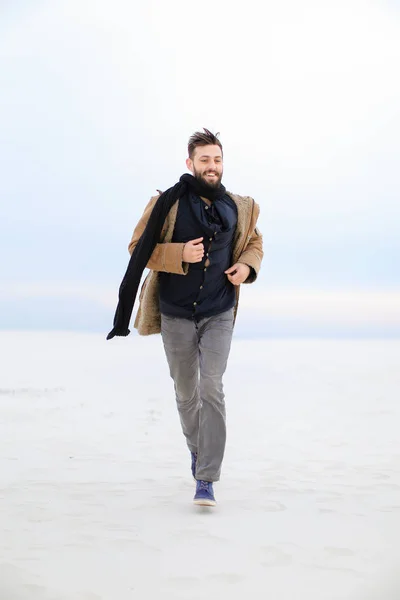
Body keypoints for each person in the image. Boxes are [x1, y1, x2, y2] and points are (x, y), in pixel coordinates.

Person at [107, 129, 263, 506]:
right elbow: (136, 248)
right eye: (205, 160)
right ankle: (197, 451)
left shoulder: (239, 206)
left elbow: (255, 242)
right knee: (185, 391)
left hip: (219, 311)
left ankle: (206, 478)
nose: (212, 166)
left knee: (212, 386)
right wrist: (178, 254)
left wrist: (245, 266)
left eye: (218, 160)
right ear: (190, 163)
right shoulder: (167, 204)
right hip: (175, 313)